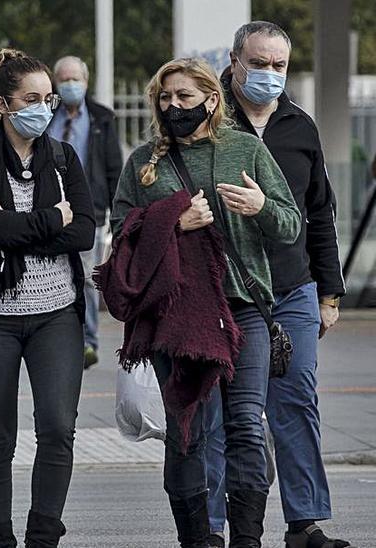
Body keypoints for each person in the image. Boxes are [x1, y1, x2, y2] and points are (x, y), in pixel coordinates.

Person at [109, 58, 299, 548]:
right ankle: (197, 538)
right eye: (165, 98)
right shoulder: (142, 162)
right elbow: (123, 232)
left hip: (242, 310)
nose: (174, 106)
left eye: (184, 97)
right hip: (178, 315)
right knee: (187, 427)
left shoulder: (245, 149)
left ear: (212, 100)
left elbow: (291, 224)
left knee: (246, 427)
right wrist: (172, 221)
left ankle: (247, 539)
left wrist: (260, 207)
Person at [0, 48, 95, 547]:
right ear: (4, 104)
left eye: (49, 98)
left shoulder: (65, 159)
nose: (44, 107)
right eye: (31, 98)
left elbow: (86, 232)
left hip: (56, 315)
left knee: (56, 426)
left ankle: (43, 535)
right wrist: (53, 220)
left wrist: (15, 228)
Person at [203, 22, 350, 548]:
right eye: (258, 63)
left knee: (296, 401)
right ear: (234, 60)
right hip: (226, 293)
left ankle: (305, 522)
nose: (269, 74)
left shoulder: (299, 126)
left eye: (279, 66)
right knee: (221, 410)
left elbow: (320, 213)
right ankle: (213, 526)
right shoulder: (208, 120)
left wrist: (328, 293)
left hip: (292, 288)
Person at [49, 55, 123, 369]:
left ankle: (87, 343)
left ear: (86, 82)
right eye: (64, 79)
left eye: (74, 79)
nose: (69, 85)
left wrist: (116, 211)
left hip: (88, 210)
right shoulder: (45, 115)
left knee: (86, 279)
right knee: (53, 275)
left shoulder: (101, 119)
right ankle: (55, 339)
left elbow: (112, 166)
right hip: (48, 209)